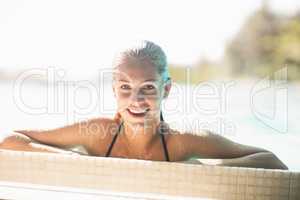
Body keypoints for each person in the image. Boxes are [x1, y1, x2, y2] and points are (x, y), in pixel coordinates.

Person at [0, 40, 287, 169]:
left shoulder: (181, 143)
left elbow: (272, 161)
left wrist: (202, 167)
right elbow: (11, 140)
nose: (136, 100)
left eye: (147, 88)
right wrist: (78, 161)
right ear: (114, 91)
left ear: (167, 89)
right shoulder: (97, 135)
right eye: (125, 87)